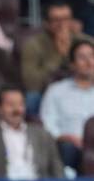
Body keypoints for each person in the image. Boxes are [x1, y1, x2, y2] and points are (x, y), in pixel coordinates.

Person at [0, 85, 64, 179]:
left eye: (20, 104)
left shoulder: (42, 135)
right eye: (10, 105)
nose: (17, 110)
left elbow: (58, 171)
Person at [21, 1, 94, 113]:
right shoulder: (34, 45)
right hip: (48, 92)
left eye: (66, 19)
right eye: (56, 20)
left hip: (84, 87)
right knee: (32, 97)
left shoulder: (86, 41)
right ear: (46, 23)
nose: (62, 25)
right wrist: (57, 56)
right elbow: (32, 83)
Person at [40, 40, 94, 173]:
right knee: (67, 148)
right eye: (82, 57)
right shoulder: (56, 90)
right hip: (70, 144)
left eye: (92, 56)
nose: (89, 62)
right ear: (72, 64)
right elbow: (47, 124)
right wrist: (65, 137)